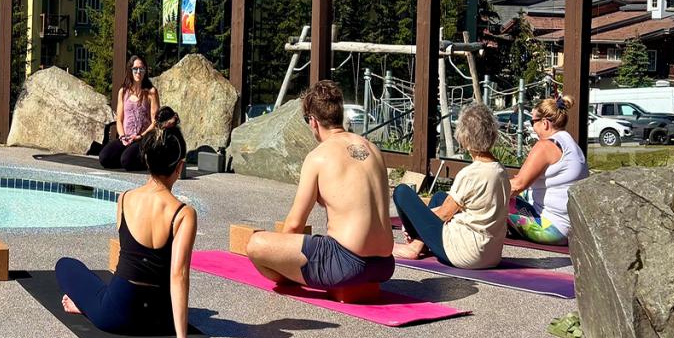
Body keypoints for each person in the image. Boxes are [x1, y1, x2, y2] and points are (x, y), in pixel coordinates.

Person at [55, 127, 219, 338]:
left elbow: (131, 257)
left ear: (146, 161)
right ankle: (91, 304)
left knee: (65, 265)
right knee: (110, 288)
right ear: (180, 166)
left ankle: (87, 307)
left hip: (115, 315)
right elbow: (179, 275)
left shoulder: (125, 198)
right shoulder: (184, 213)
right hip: (161, 319)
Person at [245, 79, 395, 294]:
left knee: (256, 244)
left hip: (347, 263)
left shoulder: (319, 156)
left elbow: (294, 224)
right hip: (385, 265)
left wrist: (281, 256)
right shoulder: (373, 150)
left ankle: (301, 277)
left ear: (313, 121)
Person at [392, 103, 511, 267]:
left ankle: (414, 246)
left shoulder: (471, 174)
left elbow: (444, 214)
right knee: (440, 197)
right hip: (490, 254)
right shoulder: (501, 170)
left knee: (401, 192)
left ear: (465, 139)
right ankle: (420, 243)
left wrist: (414, 221)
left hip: (465, 253)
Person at [506, 94, 587, 245]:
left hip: (552, 228)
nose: (532, 127)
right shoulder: (570, 144)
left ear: (545, 123)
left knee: (493, 200)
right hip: (570, 228)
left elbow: (517, 185)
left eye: (533, 122)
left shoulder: (546, 146)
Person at [98, 54, 161, 170]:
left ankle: (145, 159)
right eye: (135, 69)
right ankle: (127, 157)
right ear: (130, 70)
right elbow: (119, 119)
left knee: (127, 161)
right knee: (104, 158)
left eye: (141, 69)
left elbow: (155, 122)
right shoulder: (123, 91)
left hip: (142, 139)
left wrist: (140, 136)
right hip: (126, 138)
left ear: (145, 70)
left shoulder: (151, 92)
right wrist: (122, 137)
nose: (138, 72)